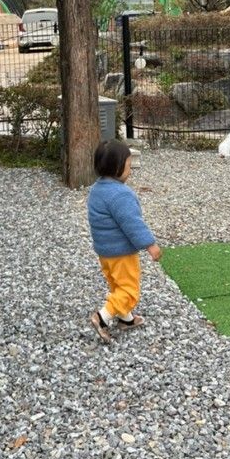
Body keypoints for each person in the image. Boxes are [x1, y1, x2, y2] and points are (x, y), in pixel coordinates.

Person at [87, 139, 162, 344]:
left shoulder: (96, 189)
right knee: (129, 289)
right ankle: (103, 317)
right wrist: (150, 244)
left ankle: (125, 318)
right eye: (128, 166)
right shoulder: (120, 195)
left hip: (104, 252)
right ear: (117, 168)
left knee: (117, 285)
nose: (130, 171)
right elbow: (132, 223)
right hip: (121, 252)